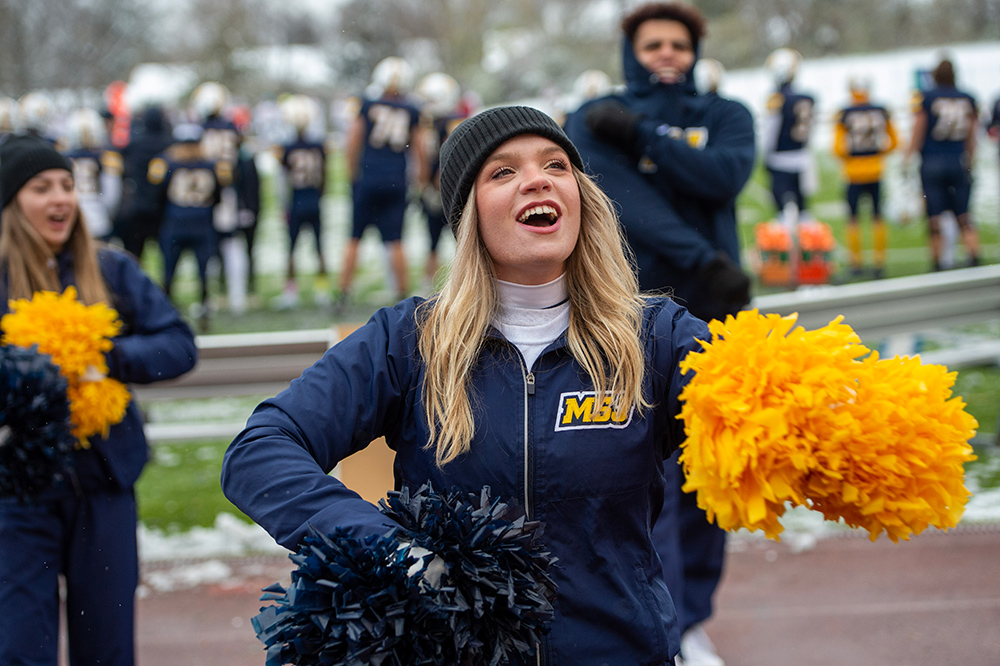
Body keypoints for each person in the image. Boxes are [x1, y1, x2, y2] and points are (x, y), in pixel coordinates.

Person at [222, 105, 709, 665]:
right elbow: (259, 450)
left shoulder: (656, 335)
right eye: (502, 172)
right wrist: (388, 549)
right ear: (467, 213)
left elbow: (768, 406)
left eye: (556, 165)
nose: (537, 179)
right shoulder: (408, 340)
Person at [564, 5, 755, 663]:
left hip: (719, 316)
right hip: (630, 319)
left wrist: (645, 136)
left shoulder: (728, 115)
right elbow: (624, 208)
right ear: (630, 50)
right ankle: (657, 627)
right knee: (645, 480)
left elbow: (722, 176)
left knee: (713, 474)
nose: (667, 54)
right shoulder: (592, 119)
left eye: (678, 44)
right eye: (653, 44)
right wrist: (701, 253)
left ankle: (692, 619)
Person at [0, 135, 197, 666]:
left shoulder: (111, 270)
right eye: (41, 187)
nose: (60, 198)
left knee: (107, 649)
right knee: (20, 649)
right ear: (10, 203)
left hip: (104, 486)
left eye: (67, 184)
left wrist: (103, 355)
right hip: (16, 494)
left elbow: (178, 346)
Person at [339, 56, 425, 306]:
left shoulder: (365, 103)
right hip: (396, 181)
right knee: (396, 240)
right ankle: (402, 295)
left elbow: (353, 141)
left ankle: (343, 294)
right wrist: (419, 181)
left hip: (368, 177)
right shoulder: (412, 109)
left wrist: (352, 175)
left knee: (354, 237)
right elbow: (420, 150)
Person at [149, 123, 231, 331]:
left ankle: (166, 315)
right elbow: (219, 198)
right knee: (201, 274)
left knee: (170, 273)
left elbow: (157, 196)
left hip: (176, 224)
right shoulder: (213, 165)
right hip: (201, 224)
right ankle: (203, 313)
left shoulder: (167, 164)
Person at [905, 57, 981, 270]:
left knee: (934, 216)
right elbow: (973, 134)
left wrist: (907, 156)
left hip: (932, 162)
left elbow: (918, 128)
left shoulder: (927, 97)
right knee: (964, 214)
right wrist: (970, 158)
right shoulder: (967, 97)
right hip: (958, 160)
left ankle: (938, 262)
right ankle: (974, 256)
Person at [832, 76, 899, 279]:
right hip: (876, 170)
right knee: (878, 216)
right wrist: (878, 153)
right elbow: (895, 142)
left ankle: (856, 263)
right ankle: (879, 263)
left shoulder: (844, 112)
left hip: (853, 173)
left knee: (853, 218)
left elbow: (837, 147)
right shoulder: (881, 110)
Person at [275, 94, 329, 308]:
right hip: (313, 199)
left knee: (291, 248)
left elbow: (282, 181)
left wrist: (283, 205)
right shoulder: (319, 146)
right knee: (319, 247)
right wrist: (320, 195)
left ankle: (291, 293)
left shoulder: (286, 148)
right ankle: (322, 290)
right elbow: (324, 175)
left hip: (296, 200)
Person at [414, 72, 465, 291]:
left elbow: (448, 157)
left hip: (449, 189)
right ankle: (430, 286)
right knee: (434, 242)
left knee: (462, 241)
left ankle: (463, 284)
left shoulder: (450, 122)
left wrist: (433, 186)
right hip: (441, 189)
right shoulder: (432, 123)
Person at [762, 47, 815, 222]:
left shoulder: (776, 99)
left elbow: (771, 131)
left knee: (782, 213)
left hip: (780, 160)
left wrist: (766, 156)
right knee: (803, 211)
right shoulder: (807, 97)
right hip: (803, 157)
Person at [114, 105, 173, 260]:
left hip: (138, 205)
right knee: (166, 254)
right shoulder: (169, 143)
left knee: (135, 254)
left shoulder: (135, 144)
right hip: (162, 207)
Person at [63, 107, 124, 242]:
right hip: (98, 221)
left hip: (72, 220)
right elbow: (112, 196)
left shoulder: (64, 157)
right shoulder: (108, 156)